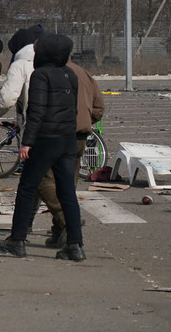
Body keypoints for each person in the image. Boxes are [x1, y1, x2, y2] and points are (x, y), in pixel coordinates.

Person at [0, 33, 85, 261]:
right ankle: (75, 244)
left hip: (46, 139)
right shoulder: (70, 74)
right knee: (67, 192)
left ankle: (17, 240)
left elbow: (36, 111)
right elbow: (73, 110)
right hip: (68, 139)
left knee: (27, 187)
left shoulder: (41, 75)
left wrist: (27, 142)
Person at [38, 60, 104, 248]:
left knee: (42, 179)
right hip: (79, 136)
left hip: (55, 135)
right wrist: (84, 120)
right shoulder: (83, 72)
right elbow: (99, 107)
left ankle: (67, 221)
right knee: (67, 184)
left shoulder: (48, 72)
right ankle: (60, 230)